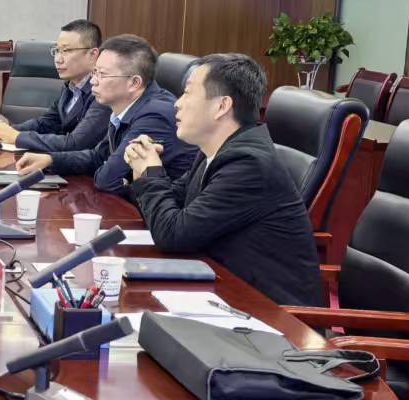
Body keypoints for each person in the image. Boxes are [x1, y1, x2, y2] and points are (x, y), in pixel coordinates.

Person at [124, 53, 325, 306]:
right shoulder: (215, 150)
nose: (177, 103)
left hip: (270, 314)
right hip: (225, 290)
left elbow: (173, 235)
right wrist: (142, 170)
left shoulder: (248, 165)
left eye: (187, 93)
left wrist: (152, 173)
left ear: (222, 106)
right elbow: (171, 207)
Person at [15, 34, 197, 195]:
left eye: (102, 74)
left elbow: (107, 179)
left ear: (134, 83)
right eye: (94, 72)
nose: (93, 81)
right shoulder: (125, 106)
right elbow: (98, 156)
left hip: (161, 216)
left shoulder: (155, 115)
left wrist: (118, 178)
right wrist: (50, 160)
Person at [0, 20, 109, 152]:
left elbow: (76, 143)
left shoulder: (103, 93)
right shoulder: (71, 86)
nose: (58, 59)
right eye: (57, 50)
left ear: (92, 54)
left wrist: (17, 137)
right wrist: (10, 130)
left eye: (66, 51)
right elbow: (48, 122)